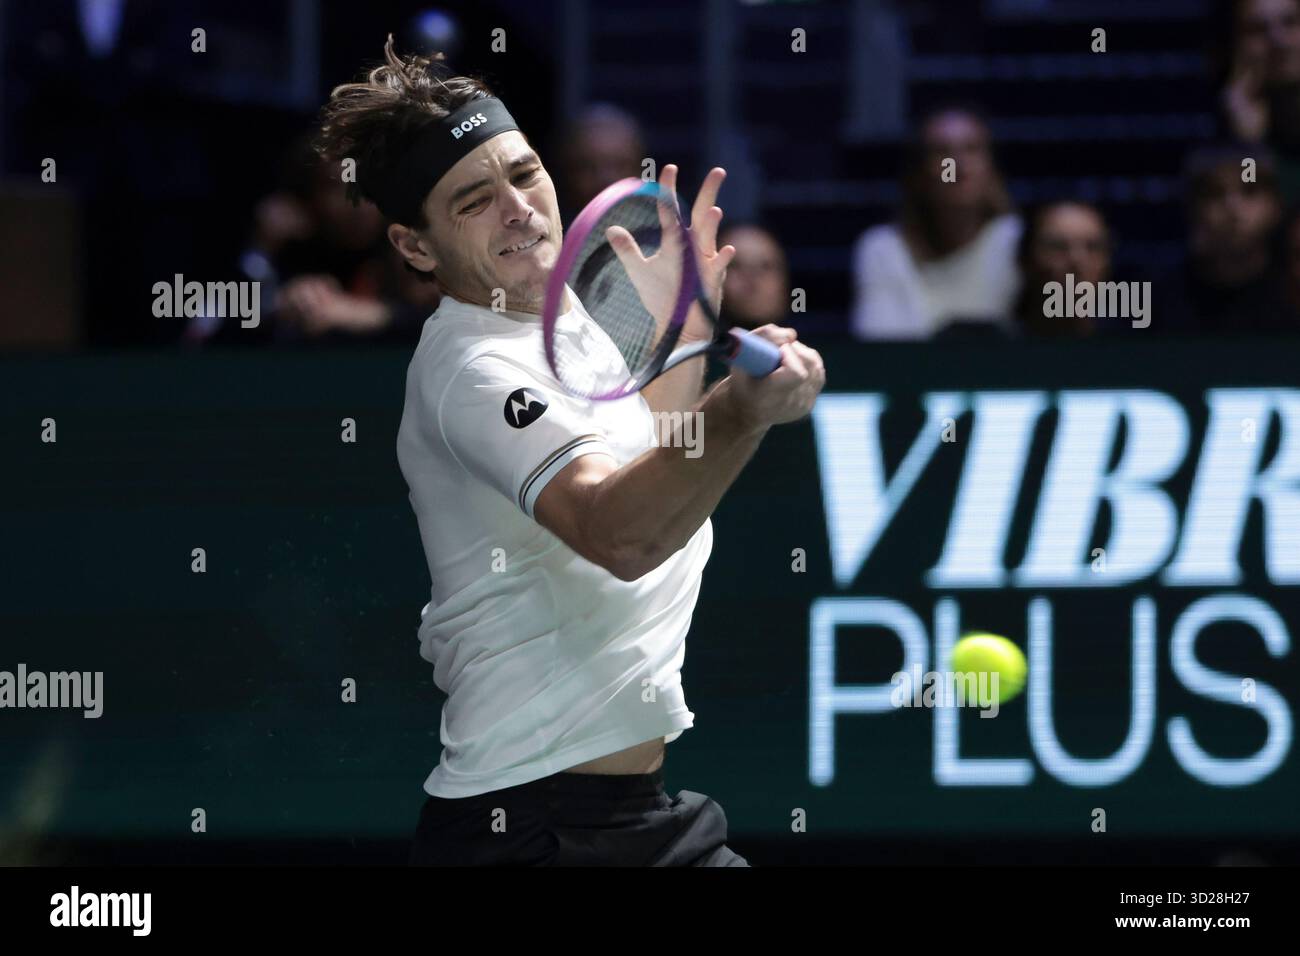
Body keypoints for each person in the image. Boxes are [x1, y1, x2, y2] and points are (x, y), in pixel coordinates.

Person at [314, 38, 825, 866]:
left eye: (524, 174)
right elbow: (619, 532)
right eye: (474, 200)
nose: (518, 207)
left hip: (630, 815)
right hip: (526, 827)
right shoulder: (470, 369)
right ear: (414, 247)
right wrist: (745, 410)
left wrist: (678, 333)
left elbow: (656, 464)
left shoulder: (570, 321)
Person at [850, 108, 1021, 340]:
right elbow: (880, 348)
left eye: (971, 149)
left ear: (992, 168)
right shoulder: (882, 249)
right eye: (942, 152)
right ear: (919, 171)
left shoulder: (1017, 242)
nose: (957, 164)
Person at [1157, 145, 1290, 334]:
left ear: (1276, 206)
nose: (1233, 208)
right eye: (1216, 193)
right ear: (1193, 209)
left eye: (1249, 191)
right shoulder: (1162, 303)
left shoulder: (1293, 295)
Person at [1220, 0, 1300, 202]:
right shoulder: (1233, 119)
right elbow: (1250, 199)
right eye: (1258, 30)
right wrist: (1250, 146)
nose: (1278, 41)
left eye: (1290, 23)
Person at [1012, 200, 1117, 338]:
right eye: (1058, 246)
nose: (1077, 260)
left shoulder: (1132, 347)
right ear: (1025, 260)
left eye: (1092, 247)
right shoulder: (994, 345)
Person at [717, 224, 791, 331]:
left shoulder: (812, 344)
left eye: (765, 266)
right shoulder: (691, 345)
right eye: (735, 265)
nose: (752, 280)